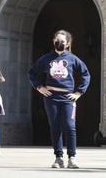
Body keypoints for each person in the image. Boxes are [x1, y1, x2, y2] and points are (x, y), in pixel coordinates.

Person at [28, 30, 91, 169]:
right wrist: (39, 87)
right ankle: (58, 157)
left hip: (68, 97)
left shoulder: (73, 59)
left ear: (67, 43)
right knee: (55, 126)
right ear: (53, 41)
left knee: (70, 126)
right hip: (51, 97)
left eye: (62, 41)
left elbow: (85, 74)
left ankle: (72, 158)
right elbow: (32, 72)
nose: (59, 43)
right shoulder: (46, 59)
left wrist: (79, 92)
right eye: (57, 40)